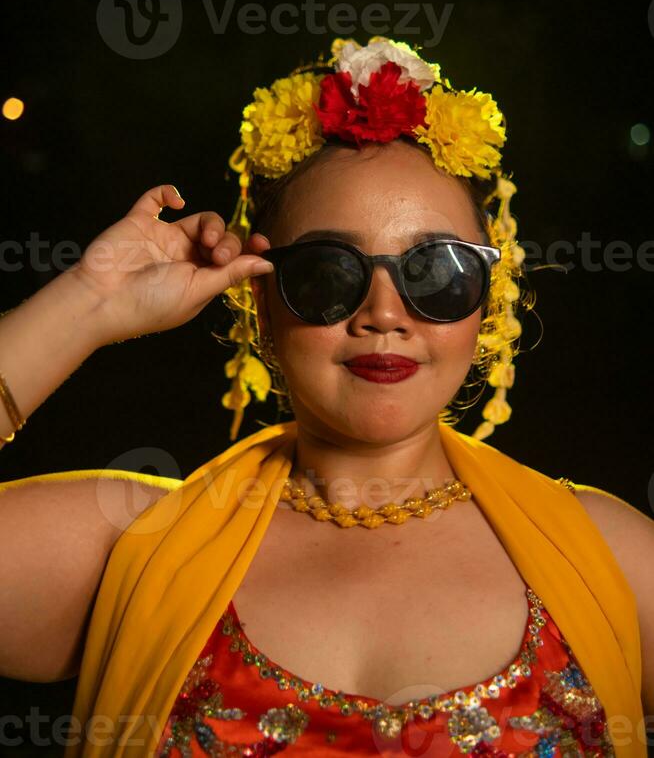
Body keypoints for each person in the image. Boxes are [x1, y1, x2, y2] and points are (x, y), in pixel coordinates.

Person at [0, 37, 651, 758]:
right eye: (326, 272)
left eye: (435, 270)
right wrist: (86, 304)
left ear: (487, 300)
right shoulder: (132, 543)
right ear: (259, 295)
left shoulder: (612, 559)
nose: (384, 312)